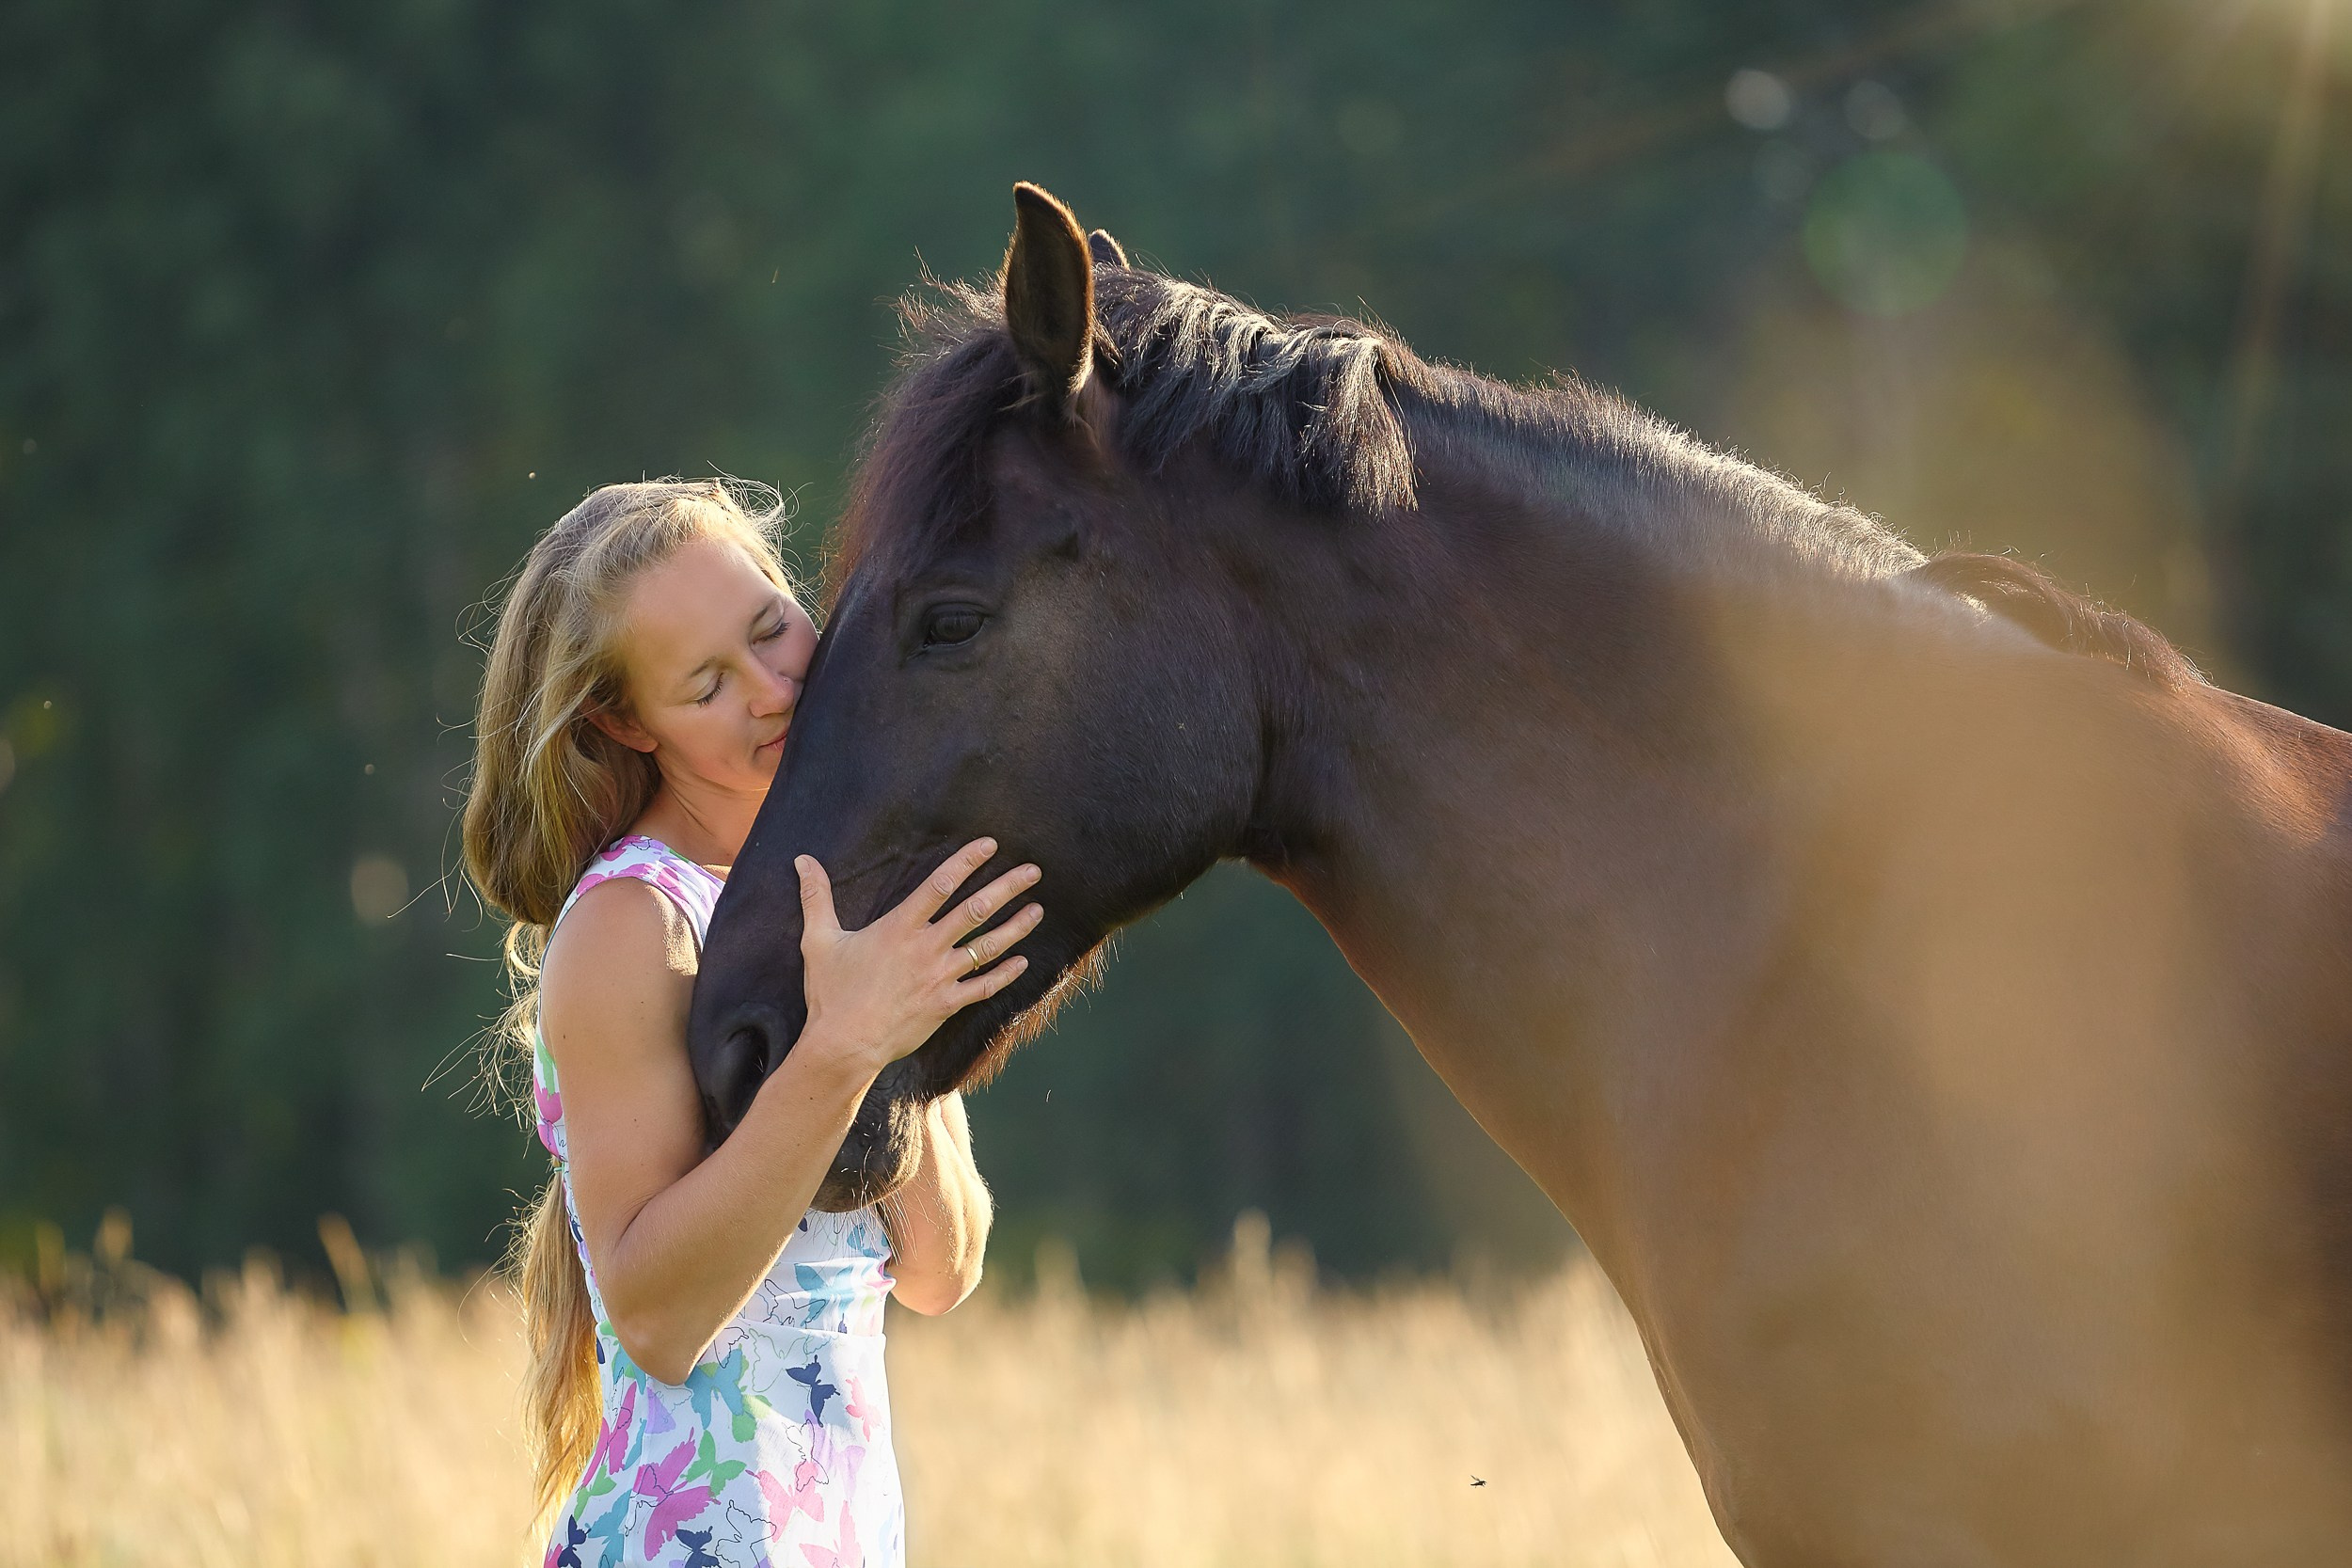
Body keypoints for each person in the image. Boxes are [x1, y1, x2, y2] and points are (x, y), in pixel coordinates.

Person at [463, 478, 1035, 1567]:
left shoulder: (852, 889)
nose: (775, 687)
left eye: (773, 626)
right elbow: (657, 1317)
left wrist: (892, 1019)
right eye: (710, 683)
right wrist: (845, 1043)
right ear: (627, 721)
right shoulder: (634, 922)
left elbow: (940, 1266)